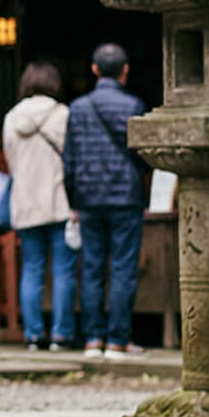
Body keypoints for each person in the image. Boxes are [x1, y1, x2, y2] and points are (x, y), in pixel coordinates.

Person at [65, 42, 151, 358]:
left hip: (88, 197)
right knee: (123, 267)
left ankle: (92, 340)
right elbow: (142, 156)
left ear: (94, 70)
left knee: (91, 268)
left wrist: (72, 199)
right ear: (125, 71)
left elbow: (69, 160)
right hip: (125, 196)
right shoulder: (133, 105)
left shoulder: (78, 108)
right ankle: (118, 339)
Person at [2, 62, 73, 351]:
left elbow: (9, 159)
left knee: (32, 268)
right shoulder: (63, 115)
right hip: (59, 201)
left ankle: (33, 334)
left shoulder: (11, 118)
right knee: (63, 270)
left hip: (25, 202)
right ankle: (61, 334)